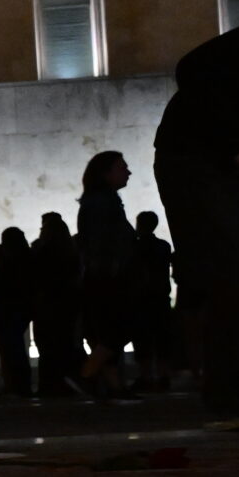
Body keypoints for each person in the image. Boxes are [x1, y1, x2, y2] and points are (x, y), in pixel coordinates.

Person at [151, 13, 239, 427]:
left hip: (234, 166)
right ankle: (227, 395)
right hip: (199, 160)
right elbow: (193, 67)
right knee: (231, 272)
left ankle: (237, 384)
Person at [75, 152, 139, 401]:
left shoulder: (99, 201)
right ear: (105, 173)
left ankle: (113, 385)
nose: (128, 172)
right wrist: (114, 269)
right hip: (109, 276)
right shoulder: (103, 202)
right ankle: (87, 374)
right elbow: (104, 241)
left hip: (103, 274)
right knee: (118, 328)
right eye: (122, 167)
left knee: (108, 330)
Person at [30, 213, 85, 397]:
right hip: (67, 304)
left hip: (49, 305)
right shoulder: (71, 251)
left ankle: (50, 385)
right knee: (65, 345)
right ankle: (68, 381)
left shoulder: (43, 252)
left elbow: (38, 278)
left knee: (48, 347)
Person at [0, 228, 35, 400]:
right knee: (13, 350)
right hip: (17, 311)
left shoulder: (7, 268)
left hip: (6, 312)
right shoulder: (25, 262)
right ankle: (17, 385)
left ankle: (17, 386)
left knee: (11, 351)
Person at [130, 211, 176, 392]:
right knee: (162, 338)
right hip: (160, 297)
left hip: (140, 298)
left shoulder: (134, 247)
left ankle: (145, 376)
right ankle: (164, 375)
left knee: (142, 338)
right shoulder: (163, 246)